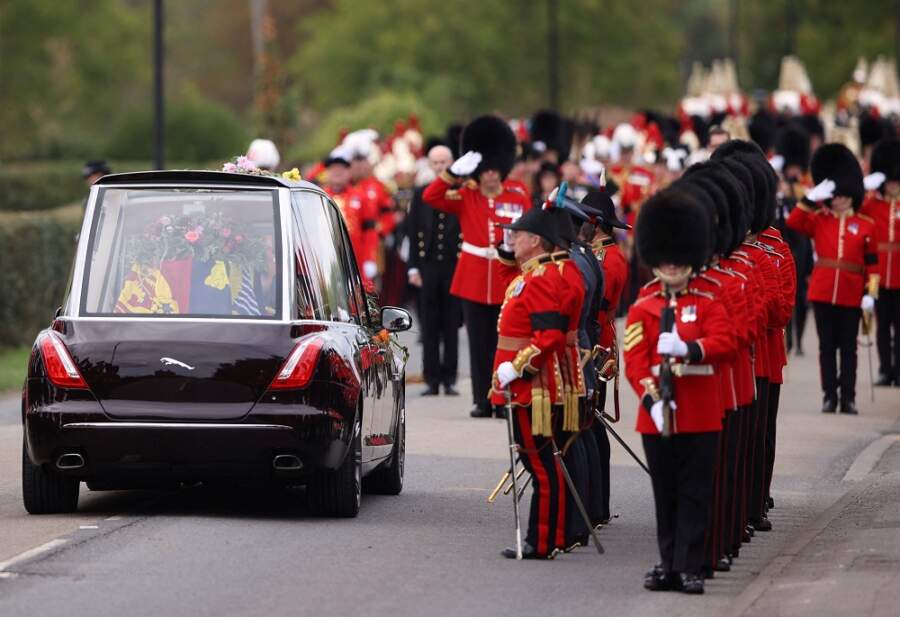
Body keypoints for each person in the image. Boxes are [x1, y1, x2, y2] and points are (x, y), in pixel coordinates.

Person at [624, 188, 734, 594]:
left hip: (700, 409)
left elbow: (727, 341)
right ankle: (667, 562)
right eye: (664, 257)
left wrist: (690, 348)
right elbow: (635, 359)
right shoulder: (643, 304)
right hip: (657, 413)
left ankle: (691, 564)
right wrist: (651, 400)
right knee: (665, 493)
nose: (670, 264)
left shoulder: (708, 299)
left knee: (694, 493)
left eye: (677, 257)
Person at [423, 115, 531, 418]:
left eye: (495, 170)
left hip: (507, 275)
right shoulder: (465, 194)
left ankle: (504, 398)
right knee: (478, 343)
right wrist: (451, 173)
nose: (491, 176)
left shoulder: (518, 194)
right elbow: (429, 196)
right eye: (486, 170)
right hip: (472, 275)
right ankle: (482, 400)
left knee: (507, 342)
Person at [489, 204, 575, 559]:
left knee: (540, 466)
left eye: (518, 234)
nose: (512, 239)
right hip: (523, 385)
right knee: (540, 465)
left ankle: (542, 541)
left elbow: (549, 336)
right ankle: (548, 538)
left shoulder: (541, 279)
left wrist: (517, 366)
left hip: (530, 388)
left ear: (535, 240)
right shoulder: (529, 275)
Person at [787, 144, 879, 414]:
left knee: (849, 349)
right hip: (823, 291)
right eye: (834, 195)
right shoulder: (820, 220)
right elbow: (793, 221)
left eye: (842, 194)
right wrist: (810, 198)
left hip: (852, 293)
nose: (838, 199)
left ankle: (848, 397)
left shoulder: (866, 224)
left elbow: (873, 266)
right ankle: (829, 395)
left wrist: (870, 294)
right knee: (827, 348)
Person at [406, 145, 462, 396]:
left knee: (451, 323)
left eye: (444, 162)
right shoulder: (420, 194)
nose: (440, 167)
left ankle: (449, 377)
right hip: (428, 265)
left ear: (452, 163)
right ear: (429, 165)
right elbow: (413, 230)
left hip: (454, 264)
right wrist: (413, 267)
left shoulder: (460, 192)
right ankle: (431, 377)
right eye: (436, 163)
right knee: (429, 324)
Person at [861, 138, 900, 386]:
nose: (894, 186)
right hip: (875, 276)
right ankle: (886, 369)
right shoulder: (871, 204)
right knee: (880, 324)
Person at [322, 146, 378, 284]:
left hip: (355, 260)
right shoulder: (319, 196)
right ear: (327, 172)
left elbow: (370, 230)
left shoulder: (361, 197)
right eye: (333, 167)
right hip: (326, 258)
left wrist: (369, 259)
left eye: (342, 167)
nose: (337, 171)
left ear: (349, 171)